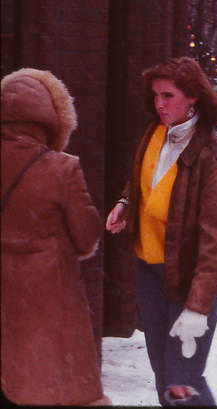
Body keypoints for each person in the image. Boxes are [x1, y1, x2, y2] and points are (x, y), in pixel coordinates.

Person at [106, 57, 217, 406]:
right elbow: (144, 178)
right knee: (165, 374)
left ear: (193, 97)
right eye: (155, 95)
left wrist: (198, 308)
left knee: (183, 381)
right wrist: (126, 201)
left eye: (168, 95)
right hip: (149, 272)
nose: (159, 104)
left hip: (187, 279)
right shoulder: (155, 132)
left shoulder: (214, 159)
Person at [1, 68, 109, 406]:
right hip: (46, 300)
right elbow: (86, 235)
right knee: (47, 386)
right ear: (51, 117)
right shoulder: (62, 167)